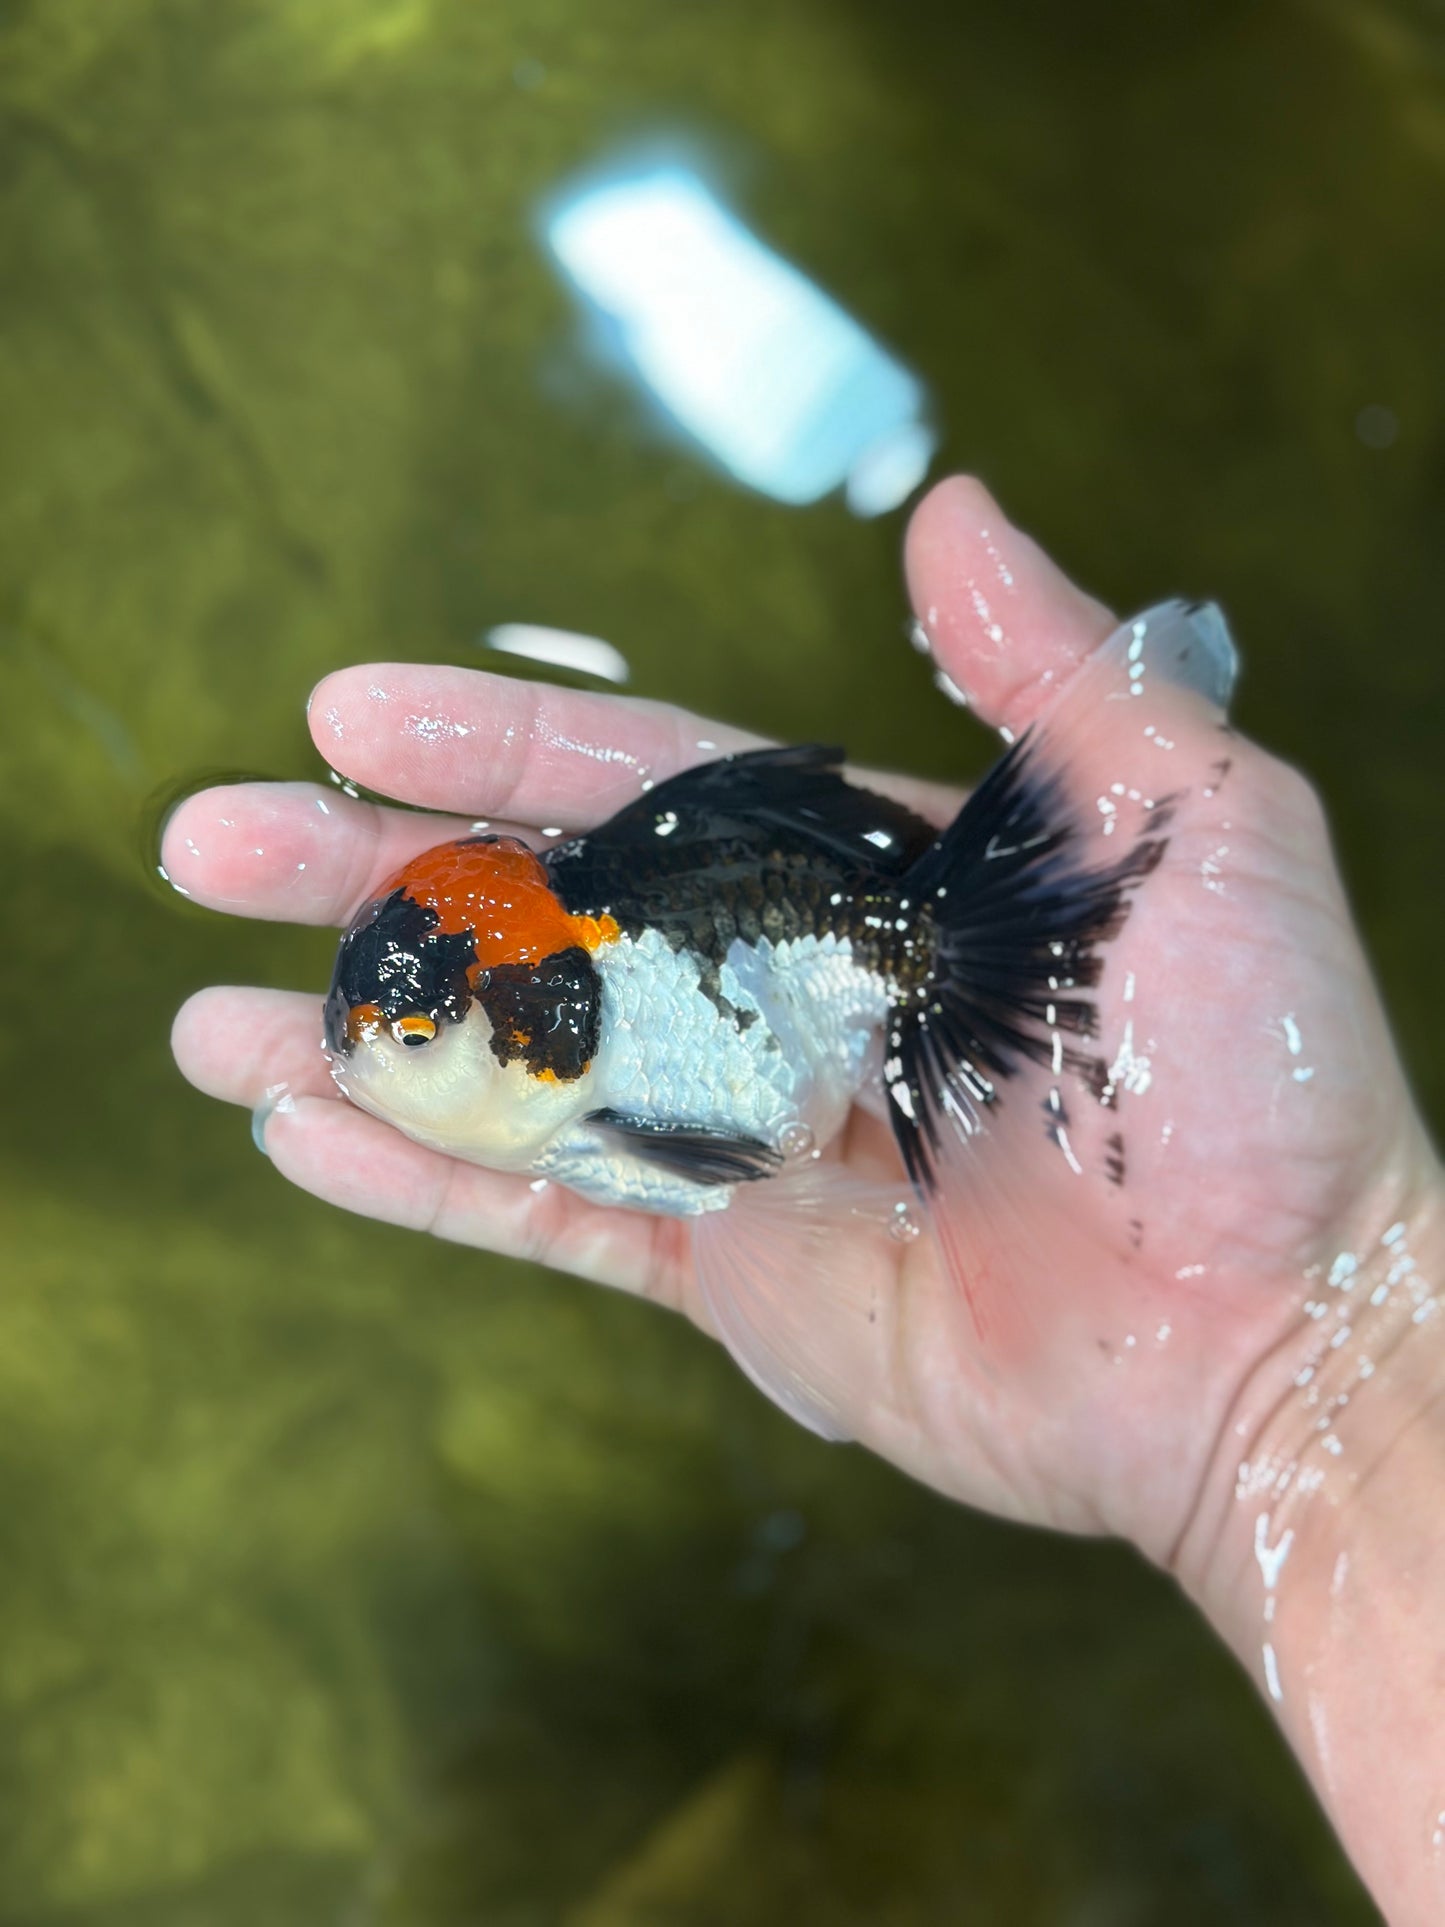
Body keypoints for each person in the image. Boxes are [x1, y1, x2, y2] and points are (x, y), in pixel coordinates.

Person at [166, 476, 1444, 1924]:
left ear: (531, 1025)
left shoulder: (615, 1048)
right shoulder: (560, 1034)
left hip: (839, 966)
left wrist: (1307, 1350)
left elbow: (739, 1184)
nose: (371, 1060)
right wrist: (1325, 1377)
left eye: (415, 1041)